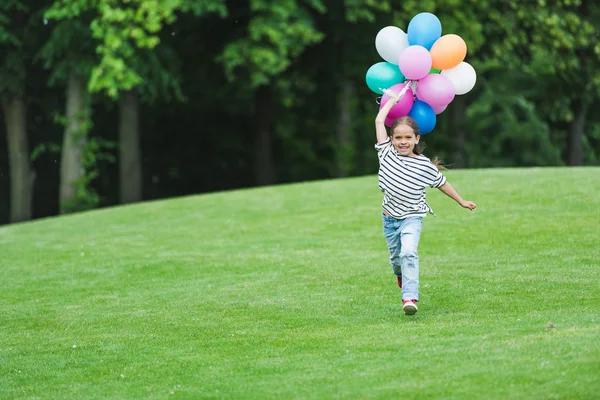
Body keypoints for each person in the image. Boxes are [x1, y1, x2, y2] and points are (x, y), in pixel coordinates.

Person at [374, 90, 476, 316]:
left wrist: (461, 201)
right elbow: (380, 120)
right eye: (398, 137)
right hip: (389, 219)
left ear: (417, 139)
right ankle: (401, 276)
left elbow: (442, 183)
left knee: (409, 252)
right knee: (396, 259)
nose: (403, 142)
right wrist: (392, 100)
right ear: (391, 139)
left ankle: (409, 298)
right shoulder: (386, 154)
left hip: (412, 217)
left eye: (408, 137)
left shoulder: (424, 166)